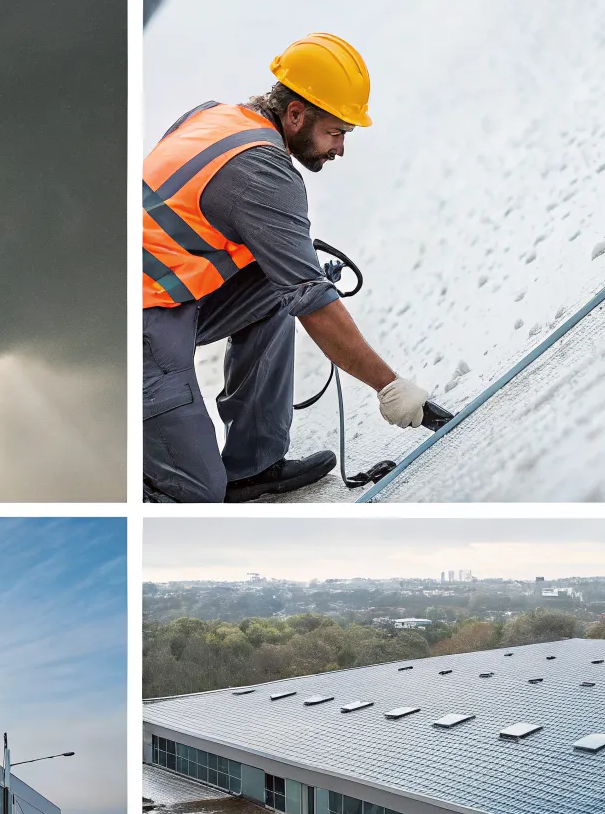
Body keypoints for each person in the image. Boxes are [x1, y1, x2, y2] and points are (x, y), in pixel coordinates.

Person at [143, 32, 433, 502]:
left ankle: (252, 464)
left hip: (163, 300)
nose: (339, 149)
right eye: (335, 132)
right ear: (296, 113)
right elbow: (312, 301)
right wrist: (389, 387)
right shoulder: (263, 170)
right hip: (137, 327)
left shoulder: (212, 116)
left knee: (274, 279)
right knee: (195, 493)